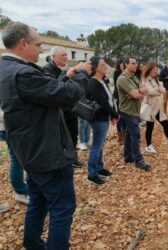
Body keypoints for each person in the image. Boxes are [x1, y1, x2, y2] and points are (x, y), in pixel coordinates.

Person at [0, 22, 84, 249]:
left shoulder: (5, 68)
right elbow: (67, 96)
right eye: (38, 45)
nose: (41, 50)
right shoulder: (24, 73)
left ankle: (32, 243)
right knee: (62, 207)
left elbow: (46, 94)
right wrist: (78, 77)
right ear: (23, 43)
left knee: (37, 202)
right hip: (46, 154)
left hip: (30, 151)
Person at [43, 46, 85, 167]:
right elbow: (53, 89)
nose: (66, 57)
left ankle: (73, 158)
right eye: (63, 55)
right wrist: (67, 75)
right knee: (61, 136)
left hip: (70, 109)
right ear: (53, 57)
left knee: (73, 134)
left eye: (67, 55)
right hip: (59, 111)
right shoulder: (47, 70)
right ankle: (64, 159)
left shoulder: (64, 69)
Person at [86, 56, 119, 185]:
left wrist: (113, 114)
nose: (105, 67)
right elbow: (103, 102)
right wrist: (115, 114)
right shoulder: (93, 83)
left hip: (104, 117)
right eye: (103, 65)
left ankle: (99, 168)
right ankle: (92, 174)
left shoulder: (102, 80)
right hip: (98, 118)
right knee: (96, 146)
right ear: (95, 67)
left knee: (100, 145)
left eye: (105, 64)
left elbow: (110, 98)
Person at [117, 57, 151, 171]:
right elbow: (137, 94)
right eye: (133, 63)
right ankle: (138, 160)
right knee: (135, 134)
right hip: (128, 110)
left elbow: (144, 89)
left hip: (134, 110)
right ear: (126, 64)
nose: (136, 65)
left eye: (136, 63)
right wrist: (136, 93)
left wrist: (136, 92)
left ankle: (128, 157)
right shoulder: (123, 79)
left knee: (130, 134)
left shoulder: (133, 77)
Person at [141, 62, 168, 153]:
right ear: (149, 70)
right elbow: (150, 92)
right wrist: (158, 90)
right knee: (150, 126)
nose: (156, 70)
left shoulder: (155, 79)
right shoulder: (145, 80)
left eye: (156, 69)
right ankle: (149, 146)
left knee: (166, 124)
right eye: (154, 69)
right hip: (150, 107)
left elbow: (163, 90)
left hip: (158, 107)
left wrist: (157, 90)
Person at [0, 106, 29, 204]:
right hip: (8, 125)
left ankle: (22, 186)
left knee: (18, 157)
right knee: (16, 159)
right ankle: (20, 192)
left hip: (7, 125)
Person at [113, 56, 127, 145]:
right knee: (120, 116)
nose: (124, 64)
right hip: (119, 97)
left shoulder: (126, 72)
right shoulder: (117, 73)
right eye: (123, 63)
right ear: (119, 64)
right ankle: (120, 136)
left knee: (125, 116)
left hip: (125, 97)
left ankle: (125, 135)